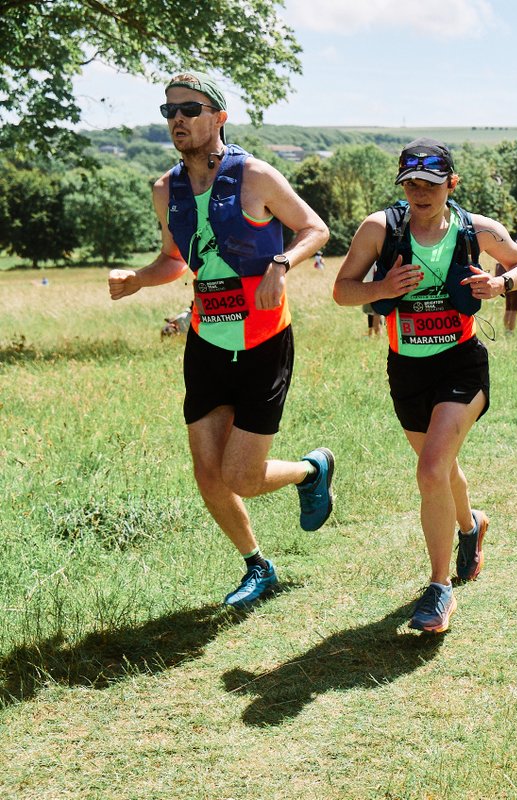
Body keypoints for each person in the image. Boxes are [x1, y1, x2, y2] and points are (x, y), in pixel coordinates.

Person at [108, 72, 333, 609]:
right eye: (169, 111)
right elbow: (173, 260)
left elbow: (315, 229)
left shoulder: (254, 175)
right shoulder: (166, 189)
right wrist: (139, 278)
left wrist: (281, 262)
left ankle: (311, 469)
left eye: (190, 108)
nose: (178, 119)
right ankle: (259, 566)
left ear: (219, 116)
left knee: (243, 475)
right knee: (208, 474)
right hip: (208, 342)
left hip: (264, 341)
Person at [332, 138, 517, 633]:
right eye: (411, 184)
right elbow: (342, 289)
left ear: (452, 184)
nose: (420, 193)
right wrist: (381, 289)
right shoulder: (380, 229)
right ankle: (471, 526)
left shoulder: (474, 229)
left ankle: (438, 589)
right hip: (407, 369)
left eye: (431, 184)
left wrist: (499, 284)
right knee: (441, 470)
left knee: (430, 470)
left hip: (462, 365)